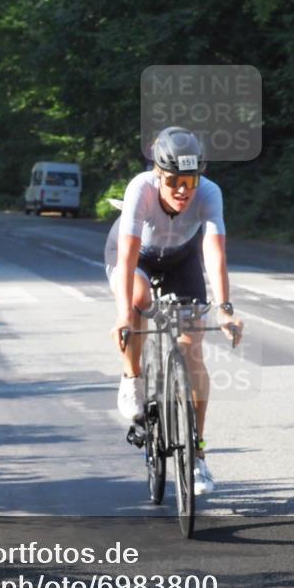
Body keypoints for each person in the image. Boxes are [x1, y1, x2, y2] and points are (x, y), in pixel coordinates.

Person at [105, 126, 243, 496]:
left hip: (181, 259)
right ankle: (132, 377)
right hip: (137, 257)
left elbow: (214, 252)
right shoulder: (141, 189)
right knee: (136, 301)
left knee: (191, 349)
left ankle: (197, 455)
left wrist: (225, 308)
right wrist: (123, 315)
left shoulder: (210, 193)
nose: (183, 190)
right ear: (158, 174)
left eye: (191, 180)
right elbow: (128, 252)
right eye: (174, 181)